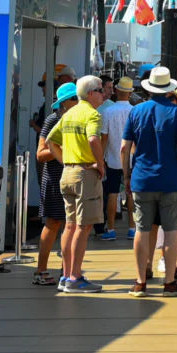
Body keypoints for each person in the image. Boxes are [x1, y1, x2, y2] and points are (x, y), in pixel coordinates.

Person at [124, 66, 177, 295]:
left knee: (142, 229)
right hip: (171, 180)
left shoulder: (136, 111)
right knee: (170, 230)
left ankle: (140, 281)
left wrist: (127, 175)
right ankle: (169, 282)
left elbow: (124, 147)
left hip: (142, 179)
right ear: (169, 88)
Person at [48, 76, 110, 293]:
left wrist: (64, 160)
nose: (104, 93)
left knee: (70, 225)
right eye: (101, 90)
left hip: (68, 172)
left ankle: (66, 275)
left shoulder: (69, 114)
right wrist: (100, 163)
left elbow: (49, 140)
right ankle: (75, 277)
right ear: (91, 93)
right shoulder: (92, 114)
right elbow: (94, 139)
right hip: (85, 173)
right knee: (83, 227)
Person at [31, 82, 77, 287]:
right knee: (53, 223)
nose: (78, 102)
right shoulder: (53, 119)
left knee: (72, 225)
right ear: (65, 103)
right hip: (54, 178)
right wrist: (63, 147)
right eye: (75, 98)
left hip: (72, 177)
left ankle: (66, 271)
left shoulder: (77, 118)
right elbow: (40, 154)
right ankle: (41, 270)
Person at [99, 78, 133, 240]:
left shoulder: (107, 112)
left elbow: (104, 139)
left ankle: (111, 229)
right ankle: (132, 227)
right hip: (132, 160)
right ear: (130, 93)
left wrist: (100, 159)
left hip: (112, 159)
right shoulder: (134, 111)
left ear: (117, 91)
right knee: (131, 193)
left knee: (112, 193)